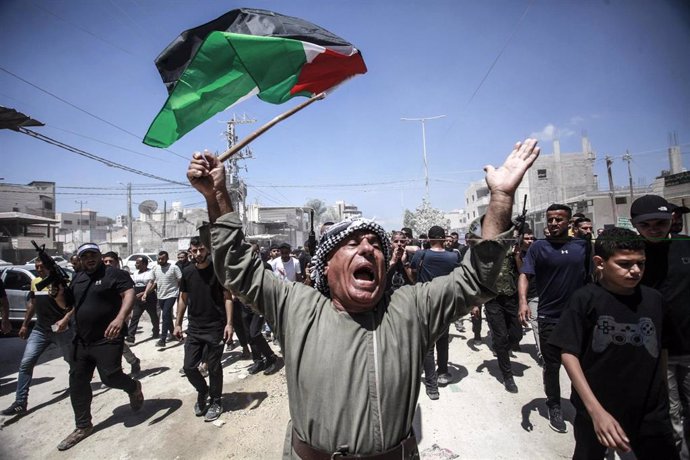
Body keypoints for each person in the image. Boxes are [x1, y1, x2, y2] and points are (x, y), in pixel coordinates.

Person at [187, 138, 539, 458]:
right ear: (325, 267)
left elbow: (477, 277)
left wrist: (501, 198)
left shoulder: (411, 310)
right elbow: (239, 269)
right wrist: (217, 196)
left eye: (377, 246)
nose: (369, 249)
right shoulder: (296, 307)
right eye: (354, 243)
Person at [550, 227, 678, 459]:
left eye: (641, 263)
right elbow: (569, 354)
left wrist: (664, 397)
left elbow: (663, 350)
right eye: (625, 264)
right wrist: (596, 411)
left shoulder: (654, 300)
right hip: (597, 408)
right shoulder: (585, 299)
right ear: (600, 262)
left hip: (650, 411)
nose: (635, 270)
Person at [58, 243, 143, 451]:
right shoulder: (77, 278)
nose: (90, 258)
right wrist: (58, 296)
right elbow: (68, 304)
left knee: (110, 377)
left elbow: (129, 294)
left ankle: (133, 387)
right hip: (81, 340)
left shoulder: (114, 274)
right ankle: (83, 426)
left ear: (99, 255)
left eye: (93, 254)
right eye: (85, 255)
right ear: (79, 259)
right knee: (77, 383)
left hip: (108, 337)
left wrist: (120, 318)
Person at [518, 203, 589, 433]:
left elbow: (594, 277)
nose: (554, 223)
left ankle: (579, 404)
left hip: (579, 318)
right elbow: (524, 276)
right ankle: (554, 405)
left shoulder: (583, 246)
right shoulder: (538, 247)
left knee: (581, 365)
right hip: (549, 316)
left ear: (569, 222)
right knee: (551, 366)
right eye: (550, 219)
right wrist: (522, 302)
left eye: (559, 219)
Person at [632, 195, 690, 458]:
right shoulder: (630, 254)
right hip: (656, 350)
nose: (654, 229)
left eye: (660, 223)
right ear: (636, 226)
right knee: (671, 412)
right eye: (647, 225)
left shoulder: (686, 246)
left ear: (671, 221)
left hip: (688, 345)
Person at [1, 259, 74, 416]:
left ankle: (77, 387)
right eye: (37, 267)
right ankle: (20, 402)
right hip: (40, 329)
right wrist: (25, 325)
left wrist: (65, 319)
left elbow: (73, 306)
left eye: (42, 267)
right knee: (26, 363)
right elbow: (32, 305)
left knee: (73, 361)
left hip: (60, 330)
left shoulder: (62, 282)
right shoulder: (36, 282)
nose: (39, 269)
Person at [174, 236, 233, 422]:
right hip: (194, 327)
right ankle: (203, 391)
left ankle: (216, 400)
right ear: (190, 251)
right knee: (189, 367)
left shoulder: (218, 270)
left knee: (214, 367)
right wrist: (177, 323)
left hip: (215, 327)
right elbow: (183, 298)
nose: (198, 253)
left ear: (207, 250)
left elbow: (227, 296)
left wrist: (229, 324)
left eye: (201, 250)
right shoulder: (188, 271)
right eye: (194, 250)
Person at [410, 225, 461, 399]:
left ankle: (432, 387)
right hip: (445, 303)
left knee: (428, 345)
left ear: (429, 239)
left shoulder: (420, 255)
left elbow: (412, 273)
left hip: (426, 303)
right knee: (443, 339)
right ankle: (443, 372)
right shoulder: (454, 257)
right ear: (444, 238)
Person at [483, 227, 522, 393]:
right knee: (501, 338)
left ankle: (503, 348)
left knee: (516, 334)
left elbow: (522, 272)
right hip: (492, 299)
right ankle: (508, 376)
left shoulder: (514, 250)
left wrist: (517, 255)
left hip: (511, 296)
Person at [102, 252, 141, 376]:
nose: (108, 264)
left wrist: (125, 315)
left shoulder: (122, 275)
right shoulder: (101, 277)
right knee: (112, 343)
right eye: (105, 261)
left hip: (120, 315)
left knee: (116, 343)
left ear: (117, 263)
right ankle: (133, 361)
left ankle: (118, 369)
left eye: (110, 261)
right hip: (105, 316)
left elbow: (129, 296)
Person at [143, 250, 182, 348]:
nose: (160, 260)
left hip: (172, 294)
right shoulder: (155, 268)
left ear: (167, 258)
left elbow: (180, 280)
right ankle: (173, 334)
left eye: (162, 259)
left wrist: (180, 293)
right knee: (167, 315)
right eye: (159, 259)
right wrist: (145, 293)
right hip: (160, 295)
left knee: (165, 315)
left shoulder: (174, 268)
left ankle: (162, 339)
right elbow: (151, 282)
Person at [127, 256, 159, 343]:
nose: (136, 264)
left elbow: (153, 284)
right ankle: (130, 337)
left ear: (144, 264)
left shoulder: (151, 272)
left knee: (153, 316)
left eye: (138, 263)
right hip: (138, 297)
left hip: (149, 297)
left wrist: (144, 293)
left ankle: (156, 331)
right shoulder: (136, 273)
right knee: (135, 317)